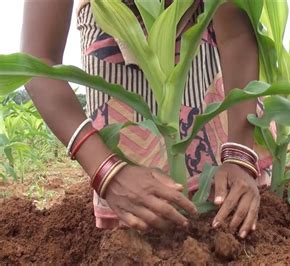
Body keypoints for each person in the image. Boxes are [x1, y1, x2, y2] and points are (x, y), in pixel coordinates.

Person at [21, 0, 272, 239]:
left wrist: (239, 156)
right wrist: (106, 170)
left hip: (205, 34)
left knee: (235, 209)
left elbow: (236, 35)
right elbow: (38, 62)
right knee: (139, 229)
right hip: (113, 30)